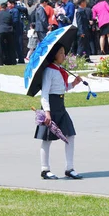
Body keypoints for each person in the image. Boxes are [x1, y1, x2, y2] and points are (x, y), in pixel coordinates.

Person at [34, 43, 83, 180]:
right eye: (61, 52)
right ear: (54, 55)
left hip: (61, 106)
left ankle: (70, 168)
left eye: (64, 52)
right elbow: (45, 93)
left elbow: (61, 88)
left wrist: (73, 84)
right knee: (47, 139)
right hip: (51, 106)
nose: (64, 55)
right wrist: (47, 112)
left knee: (70, 135)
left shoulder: (59, 69)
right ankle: (45, 169)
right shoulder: (49, 71)